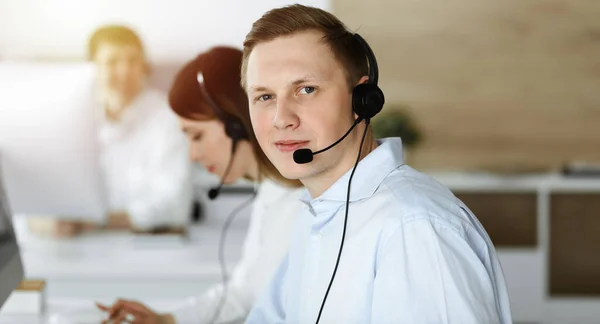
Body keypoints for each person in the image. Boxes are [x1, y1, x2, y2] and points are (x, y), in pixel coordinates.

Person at [241, 4, 513, 324]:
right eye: (264, 97)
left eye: (306, 89)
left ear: (362, 100)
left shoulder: (413, 228)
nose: (281, 119)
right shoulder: (316, 214)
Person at [96, 46, 305, 324]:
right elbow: (244, 293)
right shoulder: (272, 189)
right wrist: (168, 320)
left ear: (236, 123)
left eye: (197, 136)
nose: (193, 155)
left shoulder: (303, 200)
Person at [27, 24, 194, 235]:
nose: (124, 71)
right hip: (78, 244)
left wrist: (95, 222)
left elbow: (175, 206)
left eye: (133, 61)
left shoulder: (167, 118)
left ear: (144, 66)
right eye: (112, 61)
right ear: (91, 67)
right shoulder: (69, 118)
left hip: (147, 243)